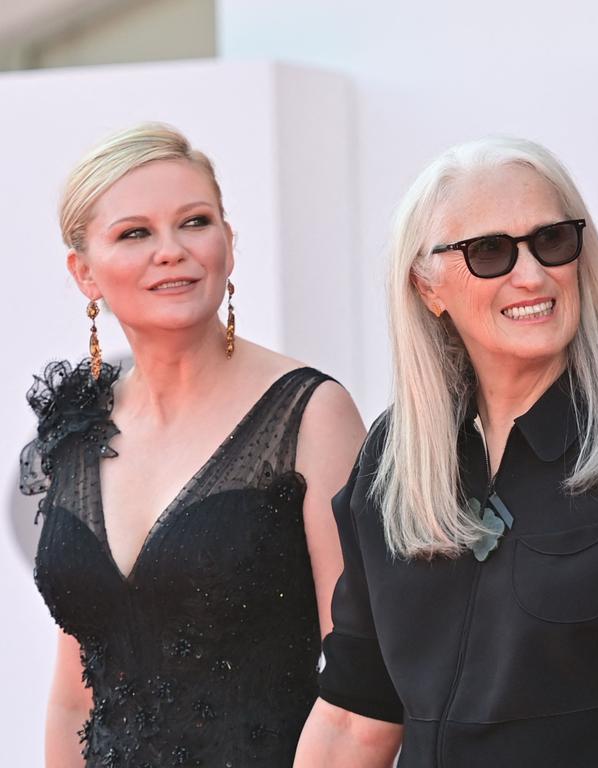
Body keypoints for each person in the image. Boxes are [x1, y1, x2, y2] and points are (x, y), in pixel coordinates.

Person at [294, 136, 598, 766]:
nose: (532, 274)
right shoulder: (390, 463)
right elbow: (356, 715)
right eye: (489, 252)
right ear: (428, 286)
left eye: (552, 240)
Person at [20, 123, 365, 767]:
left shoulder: (311, 415)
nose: (172, 250)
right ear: (84, 273)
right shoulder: (75, 429)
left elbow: (361, 692)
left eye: (195, 222)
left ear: (228, 246)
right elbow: (74, 695)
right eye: (135, 233)